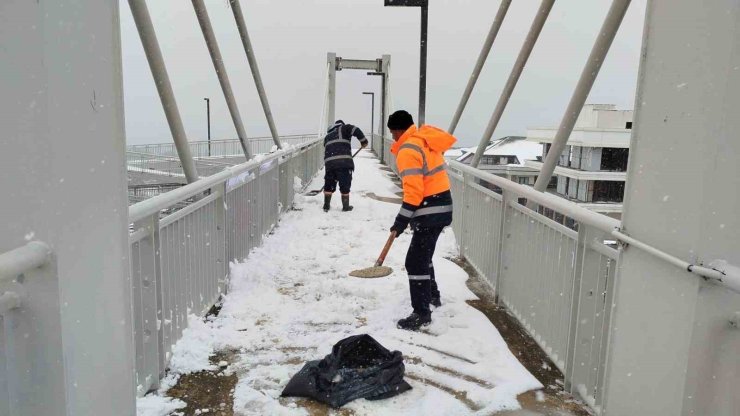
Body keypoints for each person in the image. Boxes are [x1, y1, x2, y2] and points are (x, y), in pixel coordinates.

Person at [387, 110, 456, 331]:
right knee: (423, 255)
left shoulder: (407, 151)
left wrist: (400, 222)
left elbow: (414, 194)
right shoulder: (422, 141)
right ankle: (432, 296)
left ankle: (421, 313)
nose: (392, 137)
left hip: (430, 209)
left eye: (392, 132)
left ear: (398, 130)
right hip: (441, 206)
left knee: (415, 261)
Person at [322, 120, 368, 212]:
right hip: (343, 164)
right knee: (345, 185)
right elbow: (355, 129)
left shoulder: (327, 136)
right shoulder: (344, 128)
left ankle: (326, 206)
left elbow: (327, 147)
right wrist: (363, 141)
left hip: (330, 164)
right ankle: (346, 207)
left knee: (329, 185)